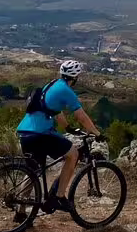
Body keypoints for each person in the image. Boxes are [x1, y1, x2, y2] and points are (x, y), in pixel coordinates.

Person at [15, 60, 101, 218]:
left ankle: (21, 213)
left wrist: (67, 127)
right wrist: (97, 133)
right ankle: (59, 197)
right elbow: (81, 117)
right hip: (40, 133)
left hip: (24, 132)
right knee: (73, 154)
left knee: (33, 171)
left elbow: (54, 111)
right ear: (75, 78)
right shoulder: (66, 90)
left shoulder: (52, 85)